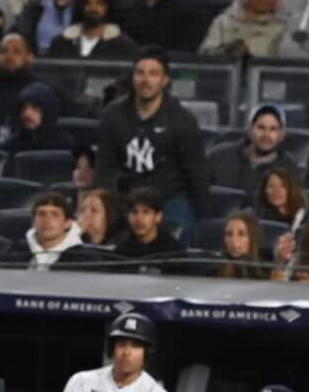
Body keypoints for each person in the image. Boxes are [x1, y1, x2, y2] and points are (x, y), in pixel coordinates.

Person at [94, 50, 210, 235]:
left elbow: (196, 172)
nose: (145, 79)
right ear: (132, 77)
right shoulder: (112, 115)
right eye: (140, 73)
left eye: (153, 74)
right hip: (126, 200)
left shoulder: (182, 119)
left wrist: (205, 219)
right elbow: (104, 168)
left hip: (169, 200)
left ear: (165, 80)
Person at [25, 188, 82, 268]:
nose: (47, 220)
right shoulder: (17, 253)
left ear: (68, 223)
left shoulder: (83, 257)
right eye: (42, 214)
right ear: (34, 221)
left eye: (55, 215)